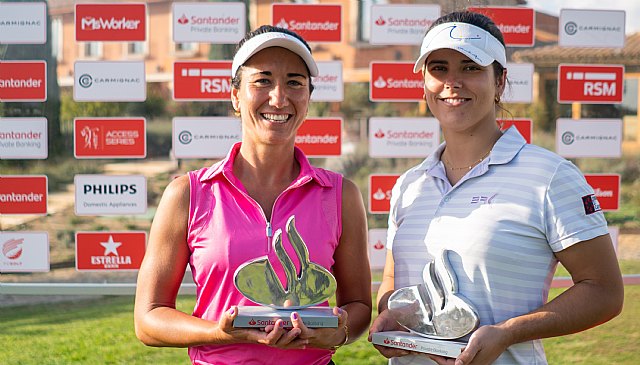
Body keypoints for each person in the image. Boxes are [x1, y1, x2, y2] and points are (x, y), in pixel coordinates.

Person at [369, 11, 623, 365]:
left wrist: (510, 332)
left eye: (471, 67)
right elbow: (393, 281)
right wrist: (391, 316)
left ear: (500, 81)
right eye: (438, 68)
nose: (452, 82)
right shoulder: (409, 185)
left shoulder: (550, 175)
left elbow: (605, 292)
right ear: (424, 82)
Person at [134, 25, 372, 365]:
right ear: (235, 96)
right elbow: (148, 319)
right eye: (262, 81)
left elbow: (360, 305)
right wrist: (219, 332)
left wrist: (339, 331)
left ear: (308, 98)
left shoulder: (340, 195)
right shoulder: (188, 194)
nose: (278, 97)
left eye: (294, 82)